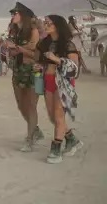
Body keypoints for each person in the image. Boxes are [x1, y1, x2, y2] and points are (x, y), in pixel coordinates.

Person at [37, 15, 83, 163]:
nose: (45, 25)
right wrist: (40, 66)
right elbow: (43, 61)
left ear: (57, 25)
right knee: (53, 117)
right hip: (48, 81)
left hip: (63, 83)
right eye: (45, 23)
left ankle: (56, 148)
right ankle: (72, 139)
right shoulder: (46, 43)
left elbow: (74, 69)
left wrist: (56, 59)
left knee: (58, 116)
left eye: (48, 23)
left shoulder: (68, 45)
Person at [6, 1, 43, 151]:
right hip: (19, 70)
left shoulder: (33, 31)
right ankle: (35, 130)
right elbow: (13, 51)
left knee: (31, 105)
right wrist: (12, 50)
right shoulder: (15, 31)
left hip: (35, 71)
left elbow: (37, 54)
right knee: (21, 105)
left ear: (23, 15)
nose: (13, 15)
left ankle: (30, 139)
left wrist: (19, 49)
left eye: (15, 13)